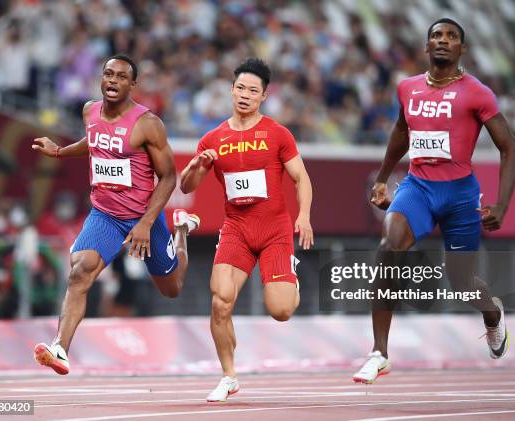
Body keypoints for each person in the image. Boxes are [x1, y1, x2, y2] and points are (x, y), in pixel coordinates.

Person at [352, 18, 515, 384]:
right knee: (388, 246)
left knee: (460, 282)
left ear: (462, 48)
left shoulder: (477, 93)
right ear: (427, 47)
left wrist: (503, 205)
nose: (443, 41)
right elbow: (400, 131)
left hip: (460, 196)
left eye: (451, 36)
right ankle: (379, 352)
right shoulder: (408, 89)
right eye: (436, 36)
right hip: (418, 187)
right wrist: (383, 177)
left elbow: (509, 149)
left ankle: (492, 313)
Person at [31, 54, 199, 375]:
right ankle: (60, 349)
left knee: (171, 287)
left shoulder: (148, 124)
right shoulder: (89, 111)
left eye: (122, 77)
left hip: (142, 216)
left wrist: (147, 224)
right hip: (105, 214)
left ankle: (182, 232)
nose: (113, 81)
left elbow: (168, 177)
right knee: (79, 272)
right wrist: (60, 151)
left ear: (132, 84)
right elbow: (94, 141)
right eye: (109, 74)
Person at [180, 58, 314, 402]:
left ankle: (290, 275)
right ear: (231, 90)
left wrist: (305, 216)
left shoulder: (277, 133)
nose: (244, 95)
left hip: (275, 230)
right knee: (220, 302)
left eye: (253, 90)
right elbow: (186, 185)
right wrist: (198, 165)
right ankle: (229, 375)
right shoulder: (214, 137)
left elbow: (301, 178)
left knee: (281, 310)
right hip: (237, 227)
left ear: (263, 96)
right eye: (240, 88)